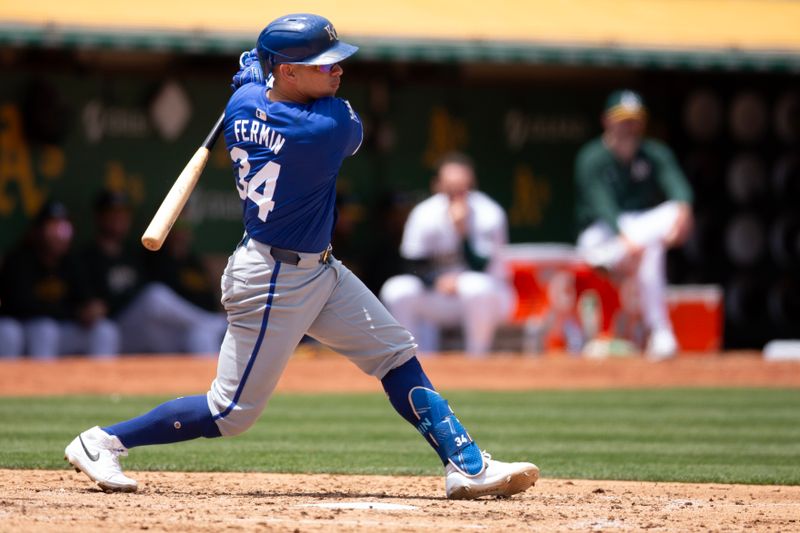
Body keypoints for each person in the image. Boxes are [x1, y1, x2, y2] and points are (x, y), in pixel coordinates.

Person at [64, 13, 538, 500]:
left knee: (395, 353)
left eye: (335, 63)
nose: (336, 71)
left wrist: (255, 75)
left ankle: (465, 465)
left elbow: (256, 91)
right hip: (272, 278)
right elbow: (320, 117)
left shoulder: (243, 101)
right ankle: (102, 441)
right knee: (230, 414)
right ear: (287, 72)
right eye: (321, 64)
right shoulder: (325, 127)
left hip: (319, 268)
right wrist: (256, 70)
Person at [574, 89, 694, 360]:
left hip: (638, 233)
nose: (629, 127)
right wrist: (625, 240)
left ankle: (661, 334)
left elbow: (679, 191)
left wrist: (684, 213)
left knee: (660, 232)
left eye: (634, 120)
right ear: (607, 120)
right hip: (600, 236)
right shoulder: (592, 157)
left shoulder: (654, 153)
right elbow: (601, 205)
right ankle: (662, 331)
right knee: (648, 244)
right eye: (622, 119)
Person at [380, 153, 513, 357]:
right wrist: (435, 280)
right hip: (440, 294)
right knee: (397, 289)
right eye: (451, 187)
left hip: (489, 296)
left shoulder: (489, 213)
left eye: (462, 187)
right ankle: (409, 361)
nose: (457, 193)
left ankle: (478, 359)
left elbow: (482, 267)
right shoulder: (424, 213)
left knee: (475, 286)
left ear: (472, 184)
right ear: (438, 185)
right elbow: (410, 263)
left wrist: (463, 233)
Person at [81, 189, 227, 354]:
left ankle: (210, 377)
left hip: (143, 330)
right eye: (113, 213)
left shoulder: (131, 255)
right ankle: (216, 324)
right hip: (113, 328)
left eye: (123, 213)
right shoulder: (88, 257)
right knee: (154, 296)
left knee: (199, 336)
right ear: (99, 216)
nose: (118, 218)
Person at [0, 201, 118, 358]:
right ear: (39, 231)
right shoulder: (20, 260)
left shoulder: (71, 261)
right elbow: (21, 307)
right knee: (43, 329)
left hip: (61, 328)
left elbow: (85, 299)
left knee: (105, 330)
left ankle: (102, 381)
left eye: (64, 229)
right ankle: (35, 382)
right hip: (26, 330)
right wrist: (75, 312)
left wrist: (91, 309)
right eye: (53, 228)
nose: (59, 235)